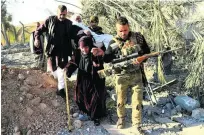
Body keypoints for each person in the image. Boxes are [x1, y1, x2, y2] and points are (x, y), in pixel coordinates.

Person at [91, 17, 150, 131]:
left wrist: (141, 59)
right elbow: (107, 58)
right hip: (121, 75)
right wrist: (102, 53)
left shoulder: (138, 37)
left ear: (129, 27)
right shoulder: (114, 42)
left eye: (125, 30)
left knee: (137, 100)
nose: (123, 33)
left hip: (136, 74)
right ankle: (121, 119)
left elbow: (147, 51)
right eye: (120, 31)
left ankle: (137, 124)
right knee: (120, 100)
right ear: (116, 30)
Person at [34, 5, 83, 99]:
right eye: (60, 14)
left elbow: (76, 31)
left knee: (62, 69)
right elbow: (39, 30)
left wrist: (84, 32)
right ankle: (58, 83)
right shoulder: (50, 20)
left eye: (64, 15)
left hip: (64, 51)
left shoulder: (69, 23)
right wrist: (36, 39)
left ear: (66, 13)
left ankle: (61, 89)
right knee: (53, 71)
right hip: (51, 50)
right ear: (57, 13)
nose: (62, 16)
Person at [66, 36, 106, 126]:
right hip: (83, 78)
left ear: (90, 46)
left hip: (95, 79)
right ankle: (86, 113)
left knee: (95, 98)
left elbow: (101, 63)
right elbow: (73, 62)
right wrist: (68, 70)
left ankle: (96, 117)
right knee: (81, 96)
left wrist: (97, 59)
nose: (84, 50)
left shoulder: (95, 51)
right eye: (82, 48)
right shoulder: (77, 53)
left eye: (86, 47)